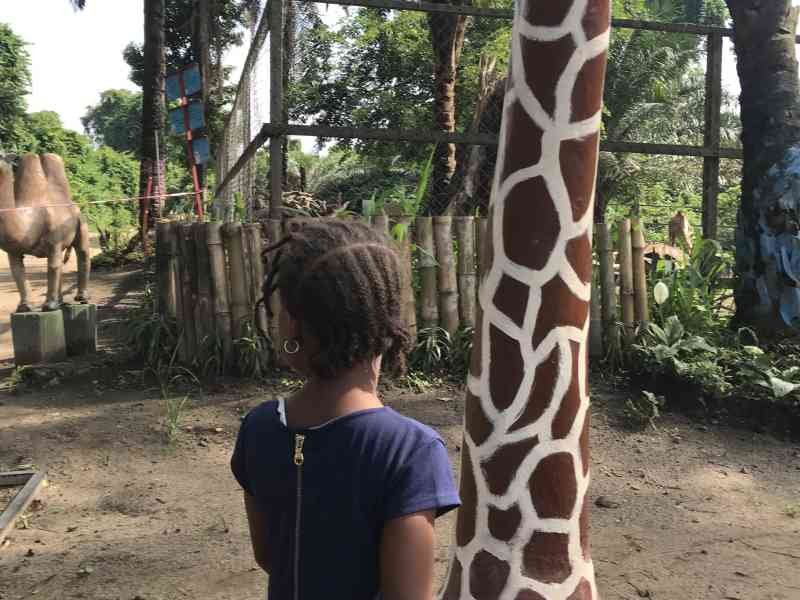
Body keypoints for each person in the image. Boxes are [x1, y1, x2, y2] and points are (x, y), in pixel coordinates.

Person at [231, 219, 461, 600]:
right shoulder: (410, 451)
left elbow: (270, 556)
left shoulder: (259, 428)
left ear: (291, 324)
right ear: (389, 322)